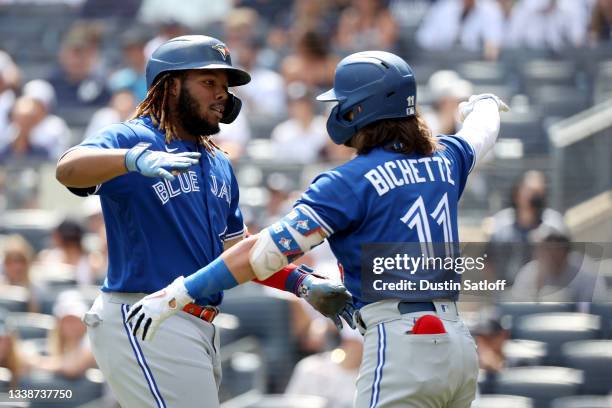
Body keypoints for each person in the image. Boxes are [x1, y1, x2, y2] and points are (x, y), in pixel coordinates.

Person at [128, 50, 510, 407]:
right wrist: (485, 104)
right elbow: (481, 132)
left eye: (343, 102)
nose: (338, 109)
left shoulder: (349, 181)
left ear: (361, 108)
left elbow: (262, 255)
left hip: (403, 342)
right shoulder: (445, 158)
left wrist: (180, 291)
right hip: (458, 344)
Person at [55, 35, 352, 407]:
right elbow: (67, 168)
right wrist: (131, 159)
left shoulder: (218, 163)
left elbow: (237, 251)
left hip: (196, 324)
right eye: (208, 82)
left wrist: (301, 283)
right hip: (147, 314)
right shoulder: (136, 135)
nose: (221, 95)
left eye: (224, 87)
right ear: (171, 85)